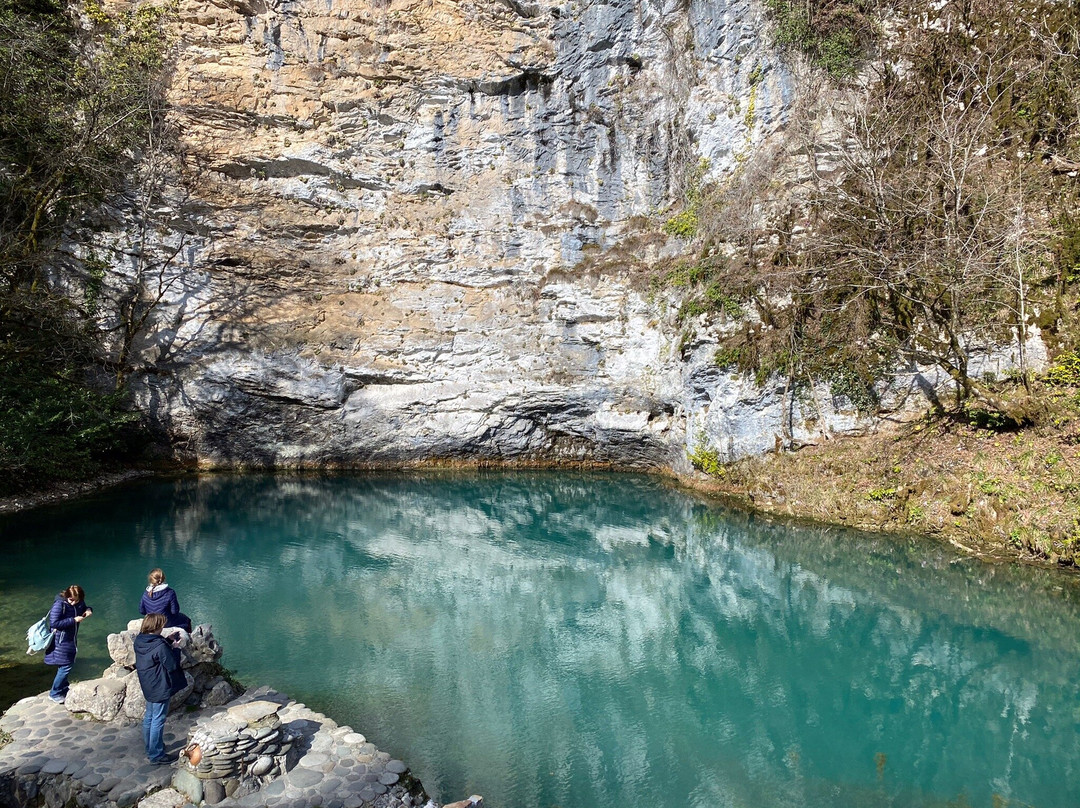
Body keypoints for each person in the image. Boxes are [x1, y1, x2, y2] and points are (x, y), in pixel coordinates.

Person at [134, 613, 185, 764]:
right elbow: (172, 665)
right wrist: (175, 648)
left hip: (148, 684)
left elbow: (153, 654)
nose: (163, 627)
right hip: (160, 685)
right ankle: (156, 755)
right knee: (158, 720)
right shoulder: (159, 645)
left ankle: (151, 748)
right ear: (157, 627)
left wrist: (167, 640)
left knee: (149, 717)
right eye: (161, 625)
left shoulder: (140, 640)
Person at [44, 584, 92, 704]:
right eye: (70, 599)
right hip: (59, 640)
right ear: (67, 596)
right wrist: (73, 620)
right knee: (66, 666)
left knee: (66, 664)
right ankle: (54, 693)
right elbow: (54, 623)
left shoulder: (79, 602)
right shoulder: (59, 605)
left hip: (70, 639)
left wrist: (88, 610)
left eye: (75, 600)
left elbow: (84, 608)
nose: (72, 602)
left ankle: (63, 689)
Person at [139, 568, 192, 632]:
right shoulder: (170, 592)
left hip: (151, 622)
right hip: (165, 623)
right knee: (186, 619)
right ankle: (189, 638)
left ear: (150, 580)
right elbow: (174, 611)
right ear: (163, 579)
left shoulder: (146, 593)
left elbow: (142, 611)